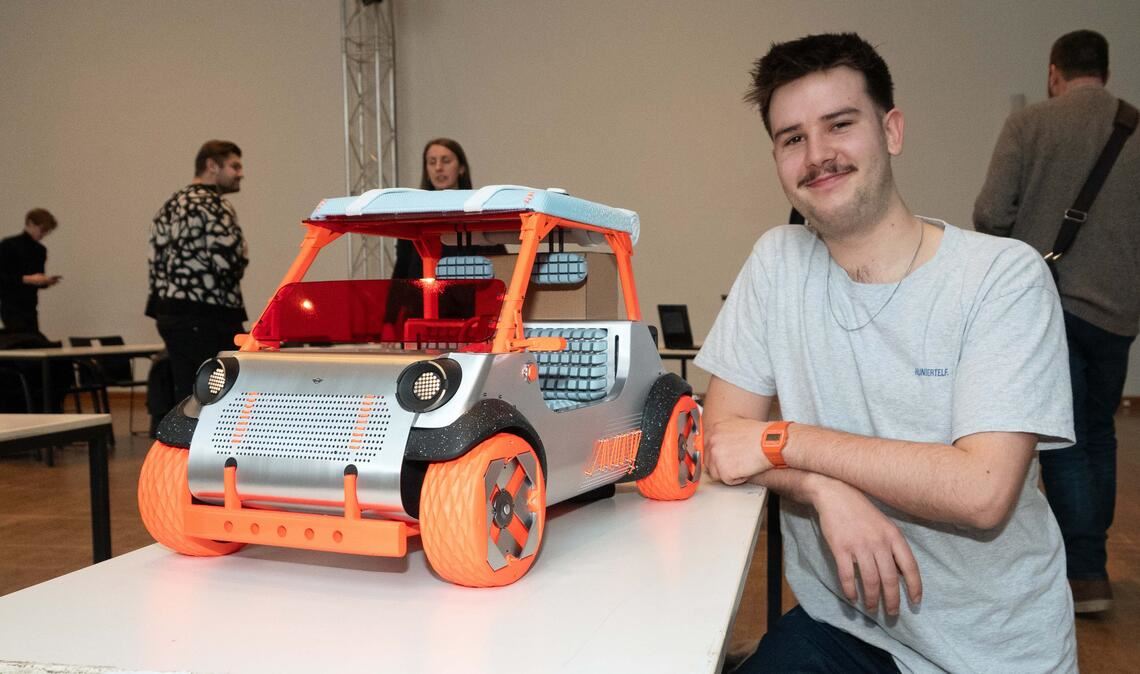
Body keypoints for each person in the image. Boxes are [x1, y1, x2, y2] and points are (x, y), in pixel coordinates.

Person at [695, 33, 1077, 672]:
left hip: (995, 651)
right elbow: (719, 440)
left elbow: (981, 490)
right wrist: (821, 488)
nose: (818, 155)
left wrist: (788, 441)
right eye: (792, 139)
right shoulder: (777, 264)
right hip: (845, 626)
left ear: (891, 131)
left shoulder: (1001, 276)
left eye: (840, 124)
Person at [974, 30, 1139, 615]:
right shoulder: (1134, 127)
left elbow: (991, 212)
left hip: (1048, 304)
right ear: (1106, 71)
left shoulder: (1030, 126)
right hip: (1119, 314)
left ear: (1054, 72)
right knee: (1098, 431)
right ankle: (1091, 569)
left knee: (1061, 443)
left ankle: (1084, 575)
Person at [146, 140, 248, 407]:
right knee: (221, 396)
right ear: (212, 166)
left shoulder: (168, 206)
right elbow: (228, 263)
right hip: (209, 315)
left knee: (187, 396)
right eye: (234, 166)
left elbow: (155, 263)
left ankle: (181, 447)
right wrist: (242, 257)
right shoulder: (214, 205)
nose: (240, 173)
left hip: (170, 315)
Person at [391, 138, 506, 279]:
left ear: (461, 168)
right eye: (432, 162)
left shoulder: (478, 213)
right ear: (426, 171)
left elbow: (500, 265)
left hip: (471, 295)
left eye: (446, 161)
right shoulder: (410, 218)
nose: (438, 168)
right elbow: (401, 271)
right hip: (422, 296)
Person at [0, 208, 62, 334]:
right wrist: (27, 279)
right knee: (20, 341)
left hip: (31, 306)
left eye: (47, 231)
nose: (43, 234)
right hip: (11, 305)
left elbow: (38, 278)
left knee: (33, 340)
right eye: (42, 229)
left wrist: (46, 281)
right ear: (30, 223)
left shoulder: (40, 250)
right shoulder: (8, 245)